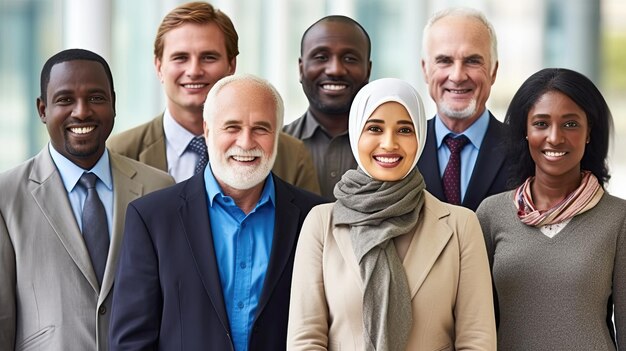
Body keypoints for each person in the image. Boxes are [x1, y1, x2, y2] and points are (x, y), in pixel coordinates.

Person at [109, 74, 327, 351]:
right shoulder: (152, 219)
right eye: (232, 127)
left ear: (278, 135)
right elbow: (131, 342)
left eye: (261, 128)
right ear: (207, 130)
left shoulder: (315, 216)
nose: (246, 142)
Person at [288, 78, 496, 350]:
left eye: (405, 130)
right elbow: (306, 340)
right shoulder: (321, 223)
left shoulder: (460, 225)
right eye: (374, 128)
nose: (389, 143)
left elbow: (476, 340)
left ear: (420, 136)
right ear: (356, 133)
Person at [0, 49, 174, 351]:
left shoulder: (158, 187)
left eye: (96, 98)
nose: (81, 112)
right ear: (42, 110)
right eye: (65, 100)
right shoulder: (6, 196)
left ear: (114, 104)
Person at [476, 68, 625, 350]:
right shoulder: (491, 215)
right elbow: (474, 322)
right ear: (525, 131)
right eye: (541, 123)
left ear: (589, 131)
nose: (555, 138)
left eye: (570, 124)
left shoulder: (618, 219)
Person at [107, 1, 320, 194]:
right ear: (159, 67)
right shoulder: (119, 153)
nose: (194, 70)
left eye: (208, 57)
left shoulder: (291, 156)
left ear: (231, 65)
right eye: (180, 57)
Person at [417, 7, 510, 211]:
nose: (457, 76)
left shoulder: (523, 150)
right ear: (425, 69)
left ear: (493, 71)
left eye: (472, 61)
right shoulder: (403, 149)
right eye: (444, 61)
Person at [284, 15, 372, 200]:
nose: (335, 70)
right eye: (321, 57)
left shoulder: (393, 148)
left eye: (349, 58)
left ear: (368, 71)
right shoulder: (277, 149)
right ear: (301, 69)